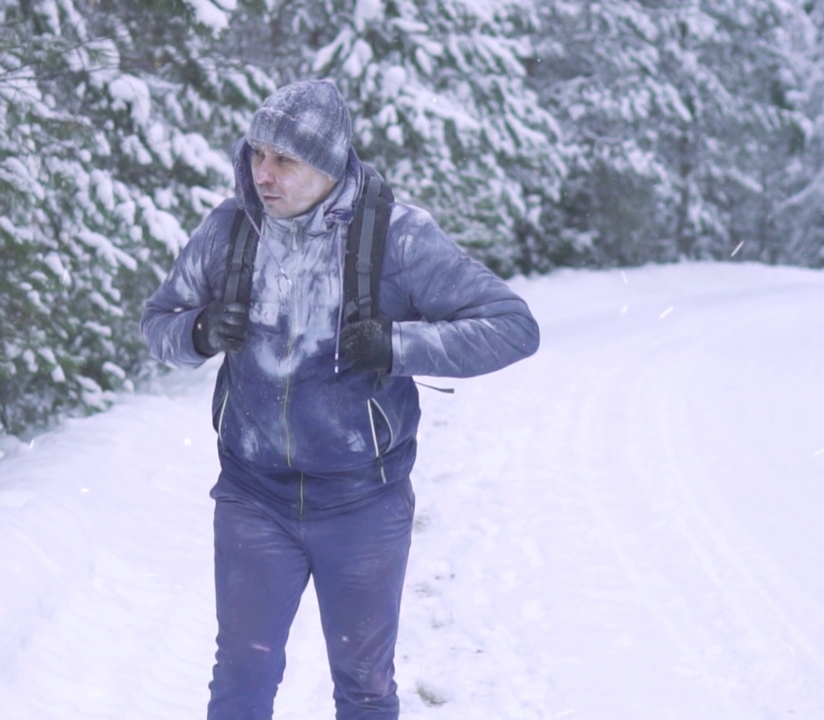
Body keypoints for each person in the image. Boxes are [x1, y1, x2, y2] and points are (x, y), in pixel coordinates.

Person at [140, 79, 539, 720]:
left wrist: (395, 344)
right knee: (241, 682)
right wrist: (197, 329)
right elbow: (158, 321)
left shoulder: (397, 240)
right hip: (253, 498)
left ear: (326, 164)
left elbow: (513, 327)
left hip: (364, 504)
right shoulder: (230, 231)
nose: (261, 173)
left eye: (284, 160)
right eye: (256, 153)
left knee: (364, 690)